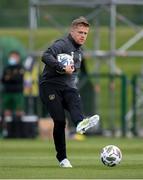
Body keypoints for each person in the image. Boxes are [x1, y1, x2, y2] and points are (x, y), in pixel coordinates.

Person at [39, 16, 100, 168]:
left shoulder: (79, 53)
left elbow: (71, 75)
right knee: (59, 121)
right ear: (72, 31)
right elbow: (45, 56)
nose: (83, 36)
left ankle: (80, 123)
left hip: (66, 87)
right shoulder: (62, 44)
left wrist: (72, 88)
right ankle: (62, 158)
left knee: (74, 95)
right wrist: (60, 66)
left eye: (85, 33)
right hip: (49, 86)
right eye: (80, 32)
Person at [1, 50, 25, 138]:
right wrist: (12, 77)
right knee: (7, 112)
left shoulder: (20, 67)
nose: (13, 58)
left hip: (18, 93)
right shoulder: (6, 67)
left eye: (15, 57)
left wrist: (10, 77)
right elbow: (3, 79)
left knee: (19, 112)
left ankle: (19, 132)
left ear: (18, 58)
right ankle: (6, 132)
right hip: (7, 92)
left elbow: (18, 79)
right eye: (12, 56)